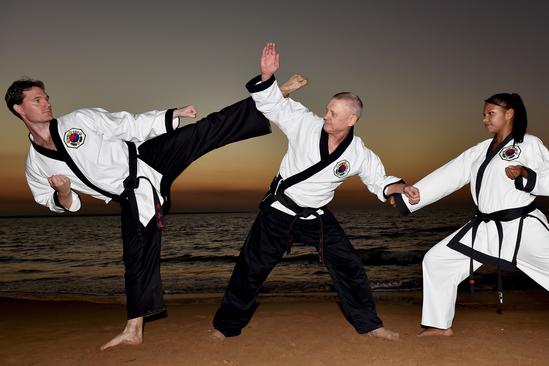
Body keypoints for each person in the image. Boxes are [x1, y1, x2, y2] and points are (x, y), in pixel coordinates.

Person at [4, 76, 301, 350]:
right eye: (37, 100)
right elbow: (55, 202)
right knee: (136, 258)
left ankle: (272, 96)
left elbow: (128, 125)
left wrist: (173, 115)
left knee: (206, 131)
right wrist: (65, 192)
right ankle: (134, 329)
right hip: (130, 194)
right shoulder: (37, 165)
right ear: (20, 109)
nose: (46, 103)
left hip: (147, 158)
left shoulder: (78, 120)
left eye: (46, 98)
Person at [393, 93, 549, 354]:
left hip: (524, 228)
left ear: (509, 113)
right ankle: (438, 325)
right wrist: (412, 196)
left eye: (491, 113)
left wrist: (526, 174)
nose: (484, 119)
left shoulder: (530, 144)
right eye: (484, 113)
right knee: (438, 260)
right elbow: (449, 174)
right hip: (486, 227)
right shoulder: (481, 150)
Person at [211, 43, 406, 341]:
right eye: (327, 110)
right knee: (250, 269)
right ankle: (225, 327)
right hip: (279, 211)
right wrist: (267, 74)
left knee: (349, 265)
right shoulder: (305, 122)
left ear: (351, 120)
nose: (326, 115)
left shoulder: (358, 152)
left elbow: (379, 180)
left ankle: (370, 325)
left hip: (316, 217)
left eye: (333, 113)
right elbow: (272, 105)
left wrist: (399, 188)